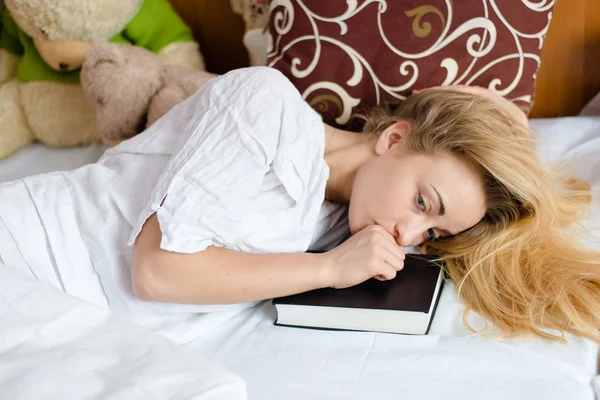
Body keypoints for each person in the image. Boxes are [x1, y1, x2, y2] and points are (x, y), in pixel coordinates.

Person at [0, 67, 597, 344]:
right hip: (28, 249)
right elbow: (155, 271)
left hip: (72, 319)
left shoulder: (343, 219)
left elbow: (513, 127)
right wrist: (330, 270)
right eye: (423, 201)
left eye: (433, 230)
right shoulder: (267, 107)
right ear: (393, 138)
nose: (411, 233)